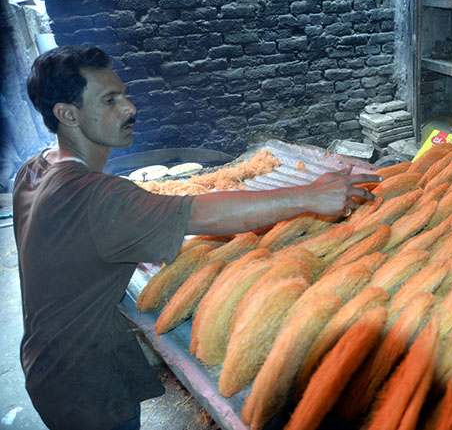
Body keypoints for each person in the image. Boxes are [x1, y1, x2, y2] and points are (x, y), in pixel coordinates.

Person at [12, 45, 380, 430]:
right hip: (86, 385)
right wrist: (308, 196)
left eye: (124, 94)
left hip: (44, 361)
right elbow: (203, 212)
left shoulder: (36, 169)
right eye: (109, 100)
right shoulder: (97, 196)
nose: (130, 108)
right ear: (67, 114)